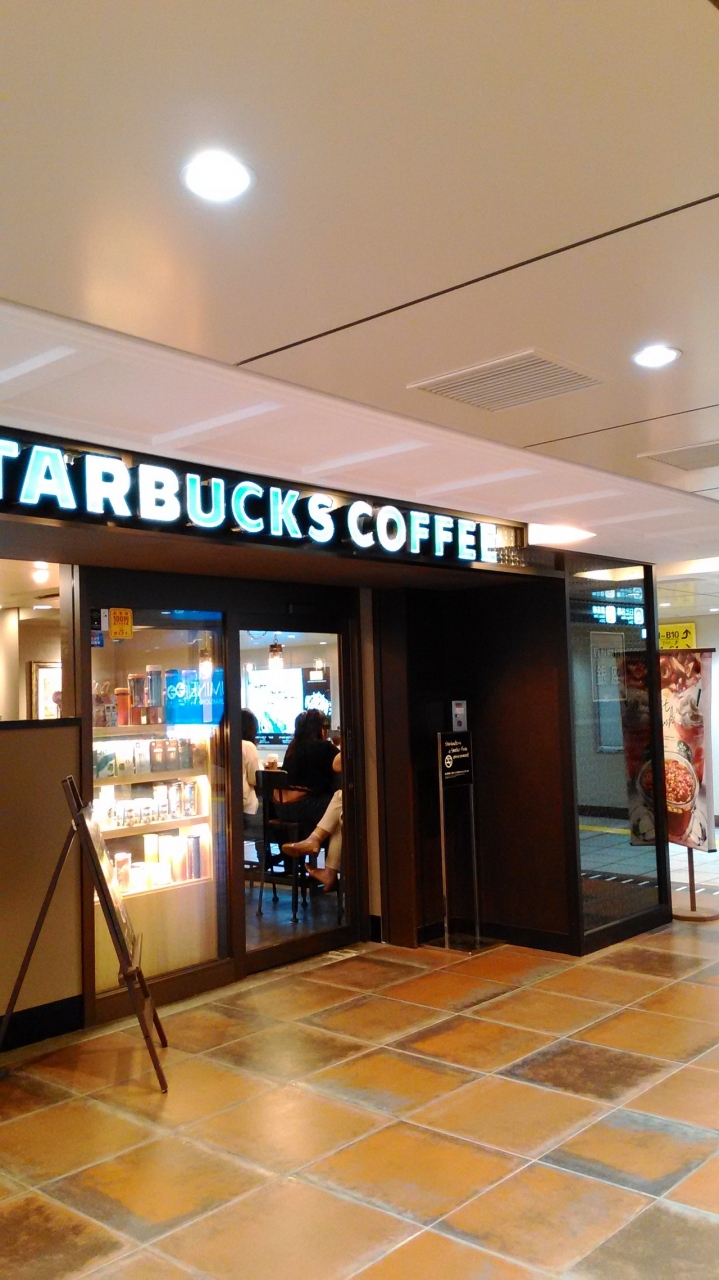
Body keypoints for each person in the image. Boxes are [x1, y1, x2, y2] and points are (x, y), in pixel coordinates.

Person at [276, 707, 341, 835]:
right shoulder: (324, 747)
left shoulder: (293, 747)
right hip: (306, 807)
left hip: (282, 809)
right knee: (340, 806)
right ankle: (328, 846)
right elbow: (342, 763)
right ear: (321, 729)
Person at [282, 788, 342, 889]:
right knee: (340, 806)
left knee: (340, 807)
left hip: (279, 807)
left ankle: (314, 840)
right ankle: (314, 840)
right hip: (300, 804)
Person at [241, 708, 263, 841]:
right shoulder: (248, 746)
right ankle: (263, 851)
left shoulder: (224, 742)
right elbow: (254, 779)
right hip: (245, 807)